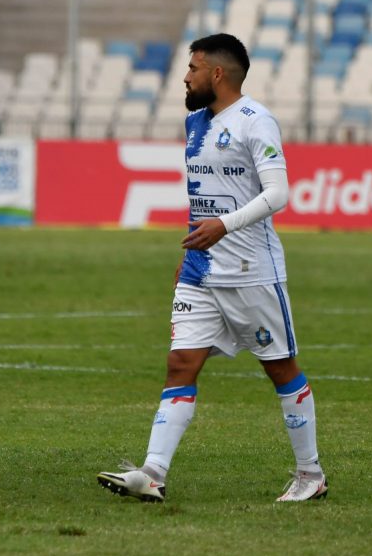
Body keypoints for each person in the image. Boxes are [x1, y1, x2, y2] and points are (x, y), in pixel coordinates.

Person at [97, 33, 326, 503]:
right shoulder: (195, 122)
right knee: (181, 363)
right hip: (201, 270)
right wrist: (195, 247)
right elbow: (207, 195)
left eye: (194, 68)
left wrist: (223, 225)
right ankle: (153, 472)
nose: (186, 76)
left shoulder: (256, 121)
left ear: (217, 74)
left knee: (281, 369)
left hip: (252, 270)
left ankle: (311, 475)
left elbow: (278, 194)